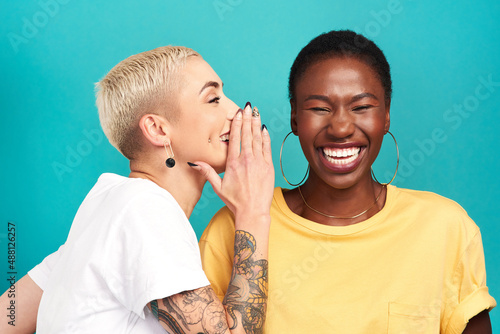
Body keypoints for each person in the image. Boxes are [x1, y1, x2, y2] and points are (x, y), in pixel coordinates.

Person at [199, 30, 496, 333]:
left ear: (386, 115)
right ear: (295, 119)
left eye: (361, 107)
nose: (340, 127)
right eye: (319, 108)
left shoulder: (445, 227)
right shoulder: (236, 227)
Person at [0, 46, 274, 333]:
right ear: (157, 129)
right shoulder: (144, 209)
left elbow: (8, 316)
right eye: (213, 99)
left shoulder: (105, 207)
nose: (235, 112)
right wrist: (253, 213)